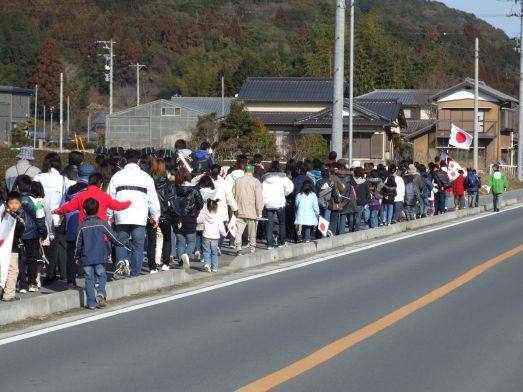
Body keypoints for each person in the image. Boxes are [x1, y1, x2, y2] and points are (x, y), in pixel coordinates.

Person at [107, 149, 161, 278]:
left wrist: (109, 215)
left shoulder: (117, 176)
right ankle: (135, 273)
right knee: (138, 245)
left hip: (121, 215)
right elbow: (152, 199)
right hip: (139, 216)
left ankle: (121, 264)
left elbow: (110, 197)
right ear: (138, 161)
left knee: (121, 242)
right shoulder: (145, 177)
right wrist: (155, 216)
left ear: (125, 160)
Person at [75, 198, 129, 310]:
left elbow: (78, 244)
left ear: (84, 211)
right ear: (98, 209)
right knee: (102, 275)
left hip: (86, 257)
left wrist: (77, 256)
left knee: (89, 279)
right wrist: (121, 244)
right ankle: (100, 293)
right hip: (100, 255)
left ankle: (91, 303)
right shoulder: (102, 223)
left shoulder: (82, 226)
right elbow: (112, 237)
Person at [34, 153, 71, 284]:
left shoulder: (38, 177)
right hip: (57, 217)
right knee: (56, 246)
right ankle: (53, 273)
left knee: (39, 246)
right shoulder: (62, 179)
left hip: (39, 216)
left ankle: (36, 274)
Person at [14, 175, 47, 293]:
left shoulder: (13, 200)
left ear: (17, 187)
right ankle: (32, 282)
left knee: (20, 259)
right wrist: (43, 233)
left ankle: (21, 284)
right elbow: (40, 218)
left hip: (17, 233)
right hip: (33, 233)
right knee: (32, 258)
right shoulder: (36, 200)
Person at [146, 159, 177, 273]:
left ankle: (152, 267)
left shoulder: (148, 182)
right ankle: (166, 263)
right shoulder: (168, 183)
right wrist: (176, 217)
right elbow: (173, 202)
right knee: (167, 239)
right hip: (165, 215)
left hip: (151, 216)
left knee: (151, 242)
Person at [173, 167, 204, 271]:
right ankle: (186, 255)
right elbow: (200, 204)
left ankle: (181, 263)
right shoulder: (194, 189)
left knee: (180, 241)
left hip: (177, 218)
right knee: (191, 241)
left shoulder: (173, 188)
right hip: (190, 217)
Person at [261, 161, 294, 249]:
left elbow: (261, 190)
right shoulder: (282, 178)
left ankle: (270, 244)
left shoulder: (265, 178)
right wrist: (285, 194)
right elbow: (290, 188)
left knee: (269, 223)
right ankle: (281, 242)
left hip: (268, 203)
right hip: (280, 203)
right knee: (282, 223)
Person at [232, 165, 264, 256]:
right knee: (252, 231)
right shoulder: (256, 181)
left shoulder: (237, 181)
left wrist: (234, 208)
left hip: (239, 209)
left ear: (244, 171)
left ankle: (238, 248)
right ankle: (252, 248)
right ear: (253, 171)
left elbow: (233, 194)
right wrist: (259, 211)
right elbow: (259, 198)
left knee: (238, 231)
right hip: (252, 211)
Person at [1, 192, 25, 301]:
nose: (14, 205)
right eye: (11, 203)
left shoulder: (4, 214)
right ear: (7, 203)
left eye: (16, 203)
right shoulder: (10, 216)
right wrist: (21, 224)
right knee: (12, 270)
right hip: (10, 248)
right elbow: (17, 233)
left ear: (20, 204)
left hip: (7, 247)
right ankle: (9, 294)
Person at [198, 199, 227, 273]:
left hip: (206, 236)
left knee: (206, 251)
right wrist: (224, 234)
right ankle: (215, 268)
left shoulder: (204, 215)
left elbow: (197, 220)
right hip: (215, 238)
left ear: (207, 208)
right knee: (214, 253)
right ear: (216, 208)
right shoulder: (218, 217)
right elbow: (221, 228)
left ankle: (207, 265)